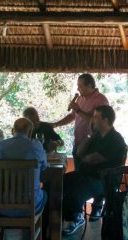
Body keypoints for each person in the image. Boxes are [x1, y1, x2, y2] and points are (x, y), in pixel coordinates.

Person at [62, 105, 127, 236]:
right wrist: (91, 136)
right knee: (59, 183)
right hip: (87, 174)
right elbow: (80, 153)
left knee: (73, 194)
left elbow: (91, 159)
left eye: (96, 117)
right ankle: (59, 217)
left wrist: (84, 158)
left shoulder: (115, 139)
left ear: (106, 120)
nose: (93, 120)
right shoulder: (96, 136)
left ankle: (75, 218)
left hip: (103, 181)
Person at [52, 73, 109, 219]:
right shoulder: (80, 98)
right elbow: (73, 116)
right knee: (79, 177)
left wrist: (78, 110)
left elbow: (96, 122)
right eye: (77, 85)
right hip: (78, 144)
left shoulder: (101, 100)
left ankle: (97, 206)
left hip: (93, 146)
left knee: (95, 176)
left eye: (80, 85)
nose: (78, 88)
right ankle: (77, 213)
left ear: (90, 85)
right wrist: (56, 124)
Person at [0, 118, 48, 215]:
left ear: (12, 131)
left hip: (3, 205)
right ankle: (39, 228)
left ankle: (1, 226)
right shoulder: (36, 146)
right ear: (30, 132)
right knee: (45, 193)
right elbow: (44, 167)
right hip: (31, 205)